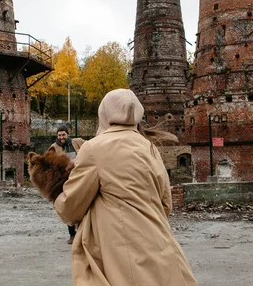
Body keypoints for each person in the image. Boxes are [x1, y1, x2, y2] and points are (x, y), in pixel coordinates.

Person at [54, 89, 198, 286]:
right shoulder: (149, 147)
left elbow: (71, 206)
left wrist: (54, 194)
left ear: (103, 113)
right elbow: (166, 203)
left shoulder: (93, 148)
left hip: (117, 251)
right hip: (159, 244)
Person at [49, 125, 85, 244]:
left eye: (63, 134)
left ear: (68, 134)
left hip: (80, 177)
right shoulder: (53, 148)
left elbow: (90, 148)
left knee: (83, 205)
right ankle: (72, 234)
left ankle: (83, 233)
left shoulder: (78, 142)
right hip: (65, 181)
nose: (61, 137)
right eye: (59, 135)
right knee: (69, 206)